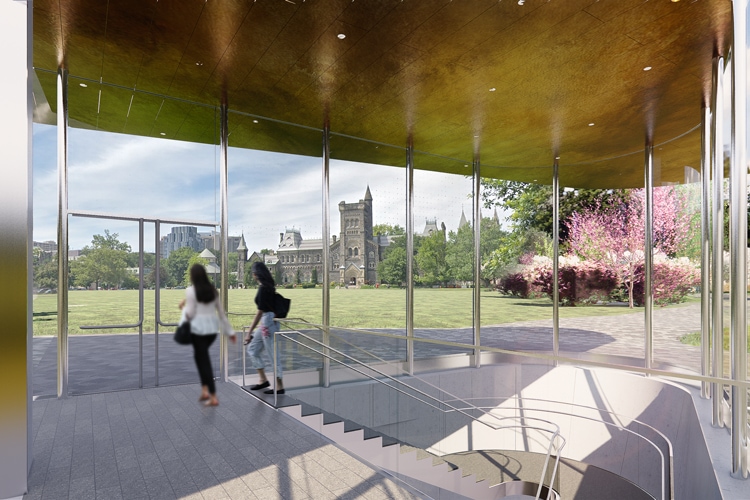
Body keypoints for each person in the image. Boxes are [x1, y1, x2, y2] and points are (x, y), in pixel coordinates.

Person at [179, 263, 236, 406]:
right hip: (211, 331)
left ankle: (213, 395)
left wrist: (183, 308)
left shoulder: (191, 291)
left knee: (204, 362)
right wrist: (230, 332)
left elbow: (190, 313)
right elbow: (222, 315)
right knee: (200, 358)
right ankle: (205, 390)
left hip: (198, 331)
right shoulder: (213, 291)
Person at [244, 261, 284, 394]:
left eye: (253, 273)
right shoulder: (269, 286)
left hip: (267, 322)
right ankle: (263, 380)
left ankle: (279, 387)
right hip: (267, 321)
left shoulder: (263, 289)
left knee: (272, 354)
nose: (252, 275)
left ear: (256, 274)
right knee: (253, 349)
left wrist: (249, 332)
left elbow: (260, 312)